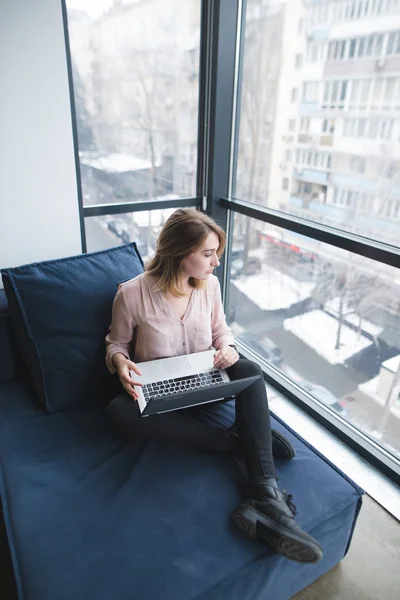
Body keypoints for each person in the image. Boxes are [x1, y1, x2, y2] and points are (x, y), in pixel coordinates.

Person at [106, 208, 322, 564]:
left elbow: (222, 330)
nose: (216, 262)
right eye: (208, 254)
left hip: (206, 380)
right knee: (118, 411)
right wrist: (120, 363)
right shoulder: (131, 294)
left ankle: (264, 492)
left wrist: (227, 348)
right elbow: (115, 344)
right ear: (179, 252)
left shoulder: (209, 286)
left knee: (249, 367)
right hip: (162, 392)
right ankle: (245, 442)